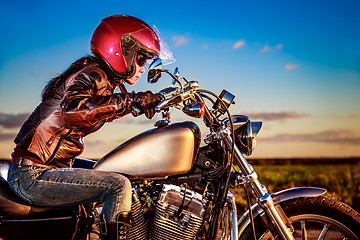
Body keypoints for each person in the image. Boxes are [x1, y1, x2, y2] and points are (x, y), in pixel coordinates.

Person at [7, 15, 164, 240]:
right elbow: (74, 110)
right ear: (121, 52)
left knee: (121, 170)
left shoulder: (101, 80)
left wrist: (139, 102)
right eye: (140, 59)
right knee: (118, 185)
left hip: (47, 168)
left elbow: (100, 109)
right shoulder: (90, 74)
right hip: (32, 175)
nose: (142, 68)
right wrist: (131, 101)